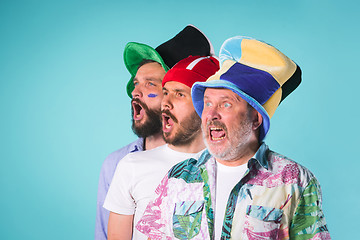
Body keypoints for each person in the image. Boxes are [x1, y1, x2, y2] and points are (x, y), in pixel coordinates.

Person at [137, 36, 331, 239]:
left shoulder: (295, 181)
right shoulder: (178, 177)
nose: (211, 115)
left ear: (255, 118)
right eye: (208, 103)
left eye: (226, 104)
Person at [95, 25, 215, 240]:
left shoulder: (217, 162)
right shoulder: (118, 164)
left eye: (151, 84)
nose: (135, 93)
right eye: (136, 84)